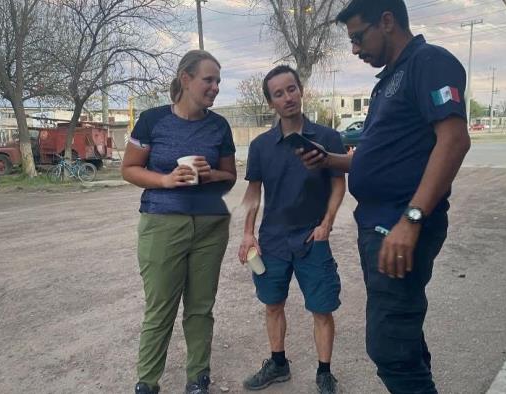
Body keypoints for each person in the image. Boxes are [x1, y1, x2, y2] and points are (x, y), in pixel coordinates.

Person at [300, 1, 472, 392]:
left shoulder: (429, 62)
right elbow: (379, 158)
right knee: (403, 338)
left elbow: (454, 140)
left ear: (388, 21)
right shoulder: (389, 79)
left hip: (399, 224)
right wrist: (329, 160)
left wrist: (411, 220)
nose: (356, 49)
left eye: (359, 37)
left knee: (389, 347)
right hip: (379, 225)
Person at [121, 50, 237, 394]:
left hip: (211, 226)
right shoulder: (152, 120)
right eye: (209, 80)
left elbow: (230, 178)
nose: (215, 87)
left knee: (201, 308)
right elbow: (128, 169)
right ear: (186, 79)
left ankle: (197, 379)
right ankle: (147, 382)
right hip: (162, 223)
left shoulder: (219, 126)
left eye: (218, 81)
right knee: (160, 309)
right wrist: (165, 180)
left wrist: (212, 172)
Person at [238, 65, 347, 394]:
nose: (287, 98)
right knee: (273, 304)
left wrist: (327, 223)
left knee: (322, 308)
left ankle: (324, 372)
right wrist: (247, 232)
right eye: (279, 94)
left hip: (312, 238)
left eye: (291, 89)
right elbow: (253, 193)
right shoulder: (260, 147)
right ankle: (278, 363)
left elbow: (338, 185)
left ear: (301, 90)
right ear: (270, 103)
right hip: (272, 241)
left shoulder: (327, 139)